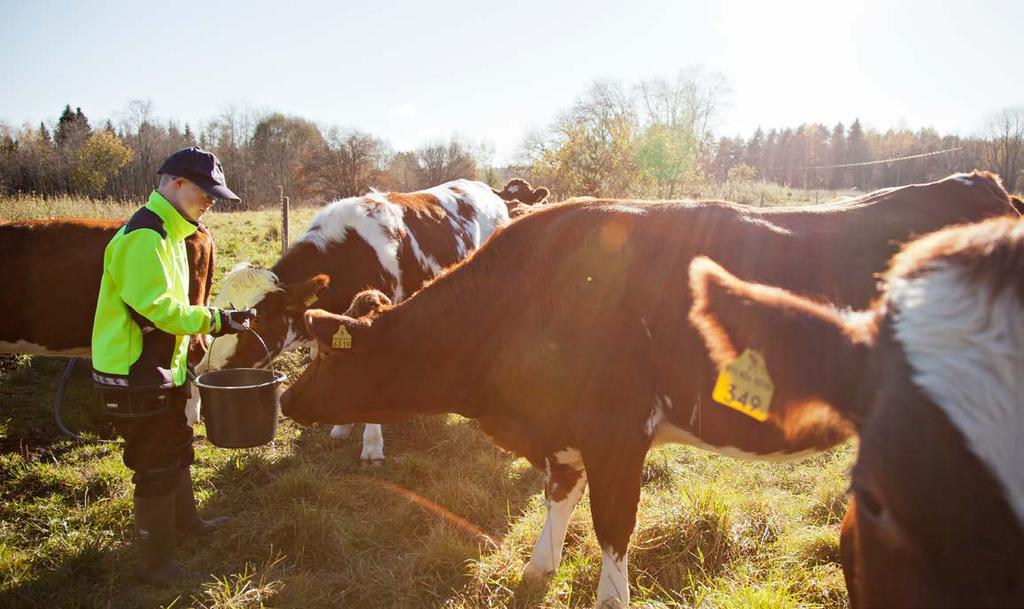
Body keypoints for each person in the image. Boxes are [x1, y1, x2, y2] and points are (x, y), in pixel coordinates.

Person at [91, 147, 256, 586]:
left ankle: (187, 524)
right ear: (176, 182)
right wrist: (216, 320)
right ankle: (155, 565)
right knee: (156, 462)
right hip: (134, 374)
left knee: (177, 444)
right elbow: (159, 311)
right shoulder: (146, 236)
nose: (211, 201)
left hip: (161, 368)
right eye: (207, 192)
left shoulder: (172, 232)